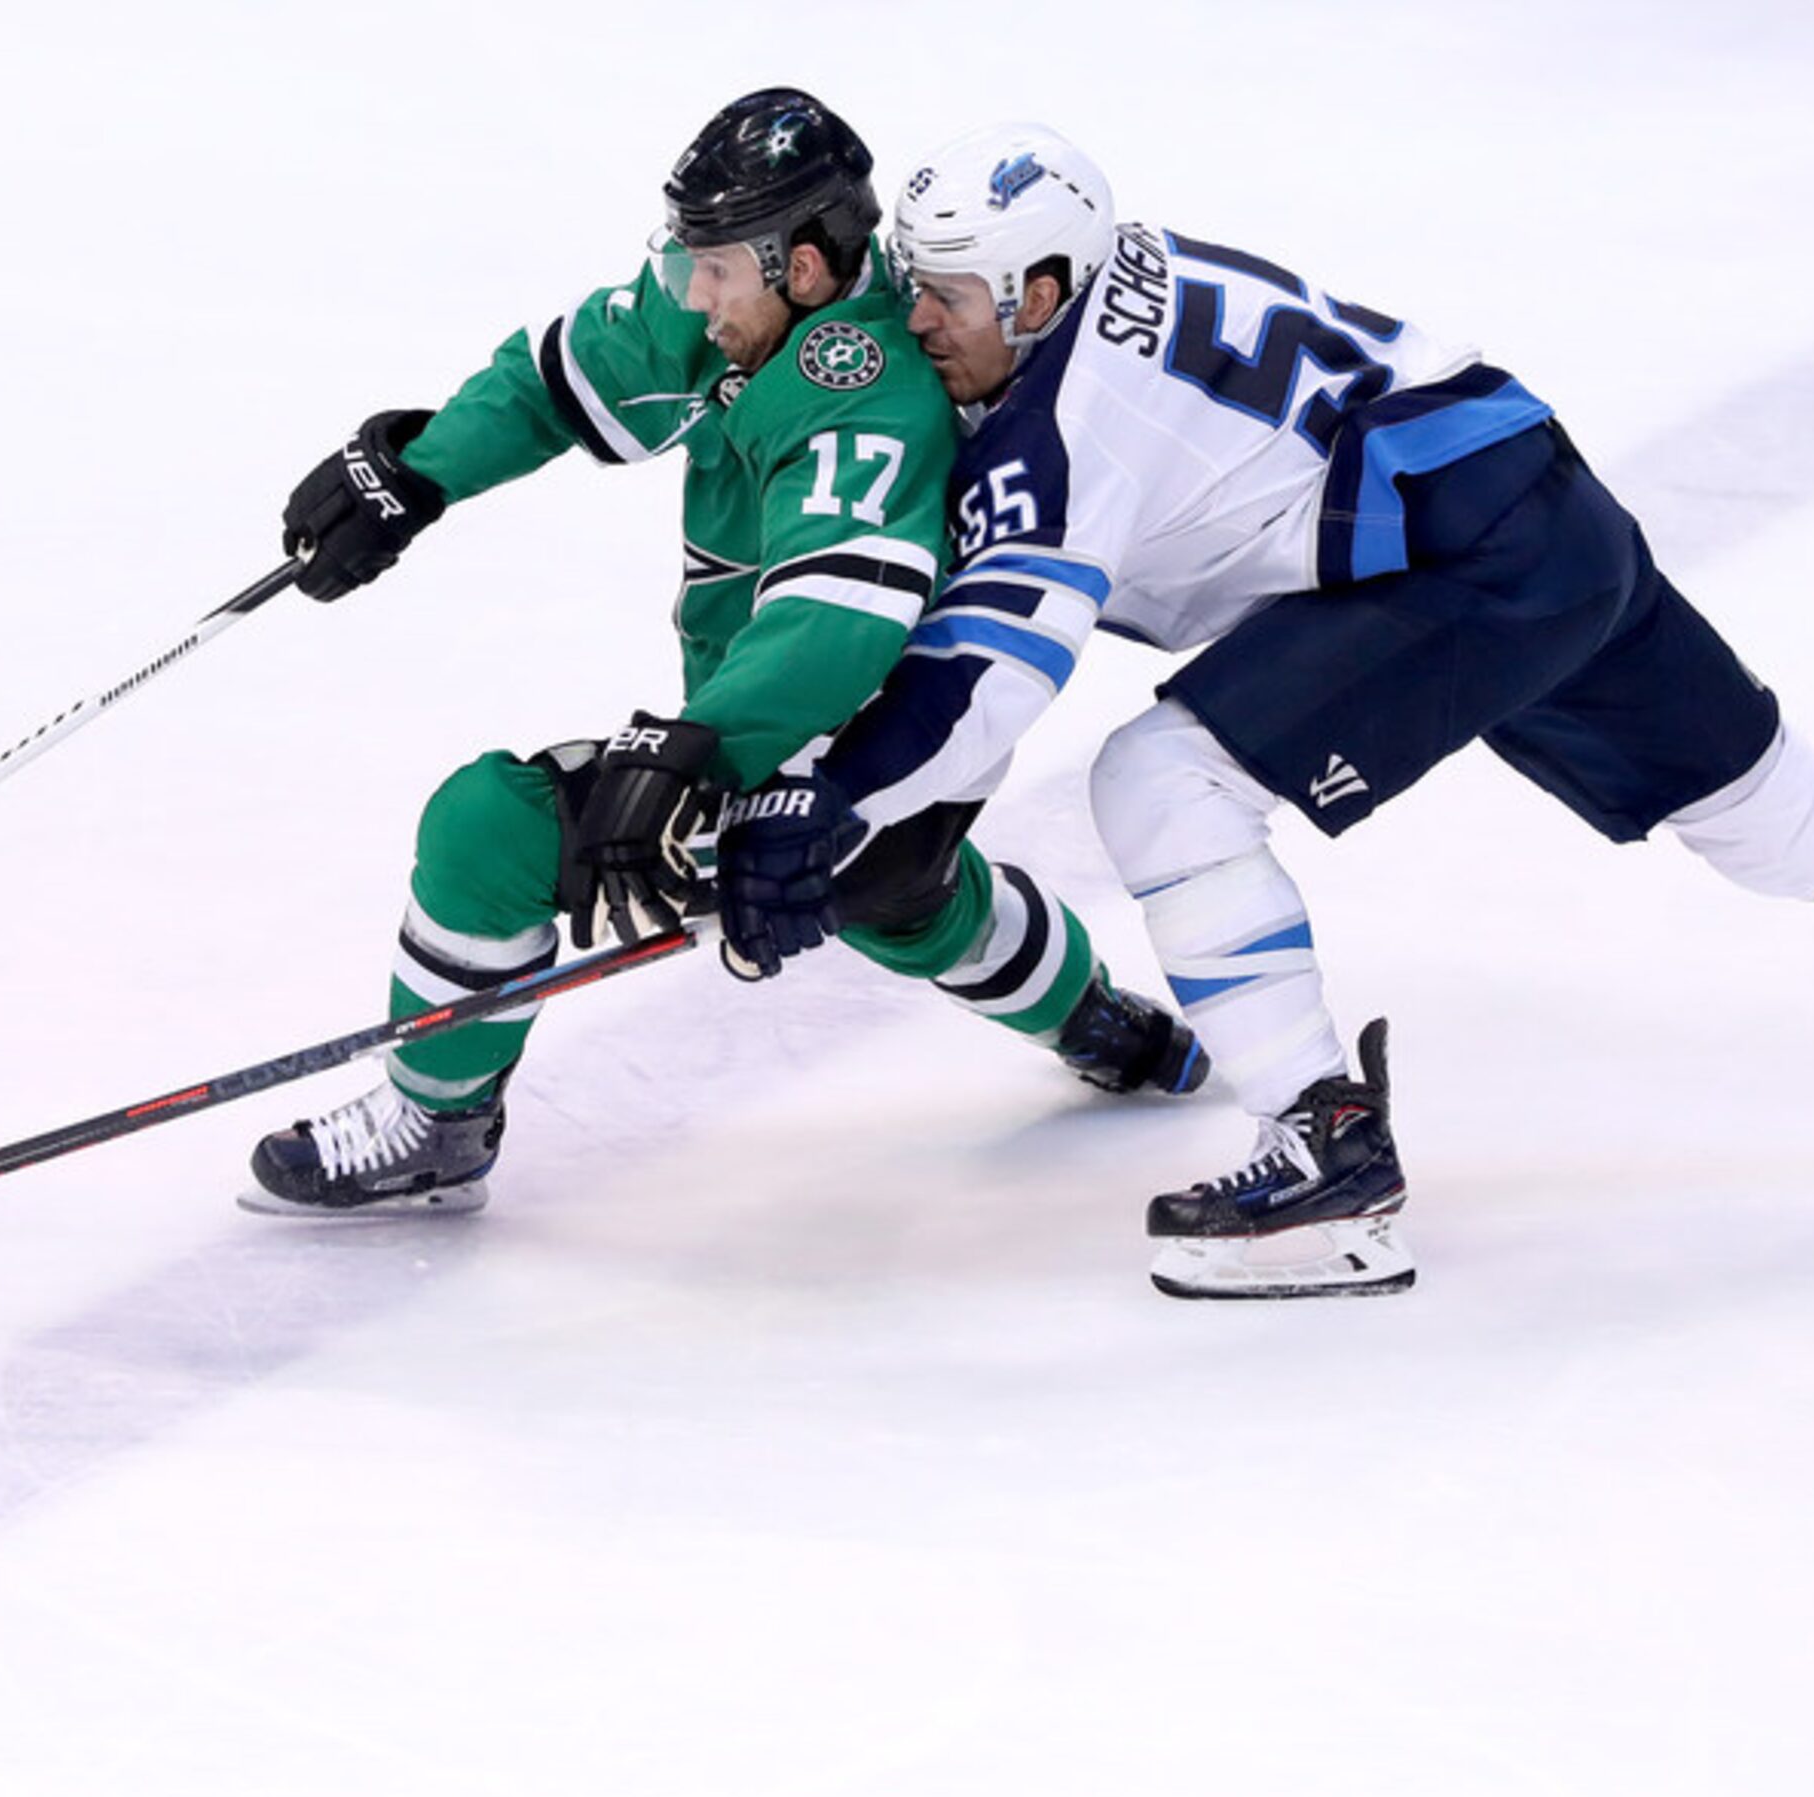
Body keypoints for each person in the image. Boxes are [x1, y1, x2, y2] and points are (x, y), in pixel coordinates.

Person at [714, 124, 1814, 1299]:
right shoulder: (1111, 279)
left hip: (1461, 561)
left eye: (953, 297)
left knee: (1164, 786)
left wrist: (838, 798)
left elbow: (997, 669)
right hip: (1528, 507)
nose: (920, 324)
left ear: (1047, 286)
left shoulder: (1060, 417)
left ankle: (1331, 1162)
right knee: (1773, 815)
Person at [242, 91, 1206, 1218]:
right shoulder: (736, 299)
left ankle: (435, 1123)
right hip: (887, 773)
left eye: (714, 269)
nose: (690, 293)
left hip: (840, 762)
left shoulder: (870, 396)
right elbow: (568, 372)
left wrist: (694, 751)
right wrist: (420, 473)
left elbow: (835, 623)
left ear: (803, 265)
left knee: (491, 828)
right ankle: (1103, 1023)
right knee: (915, 903)